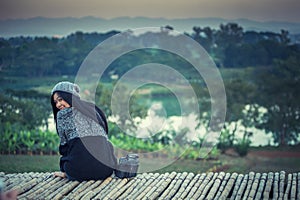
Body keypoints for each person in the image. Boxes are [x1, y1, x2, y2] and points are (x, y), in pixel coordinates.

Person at [50, 81, 117, 181]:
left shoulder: (62, 115)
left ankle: (66, 173)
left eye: (60, 100)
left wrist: (65, 168)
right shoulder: (92, 109)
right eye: (55, 102)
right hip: (106, 170)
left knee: (67, 155)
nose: (58, 105)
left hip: (79, 172)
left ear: (69, 96)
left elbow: (64, 148)